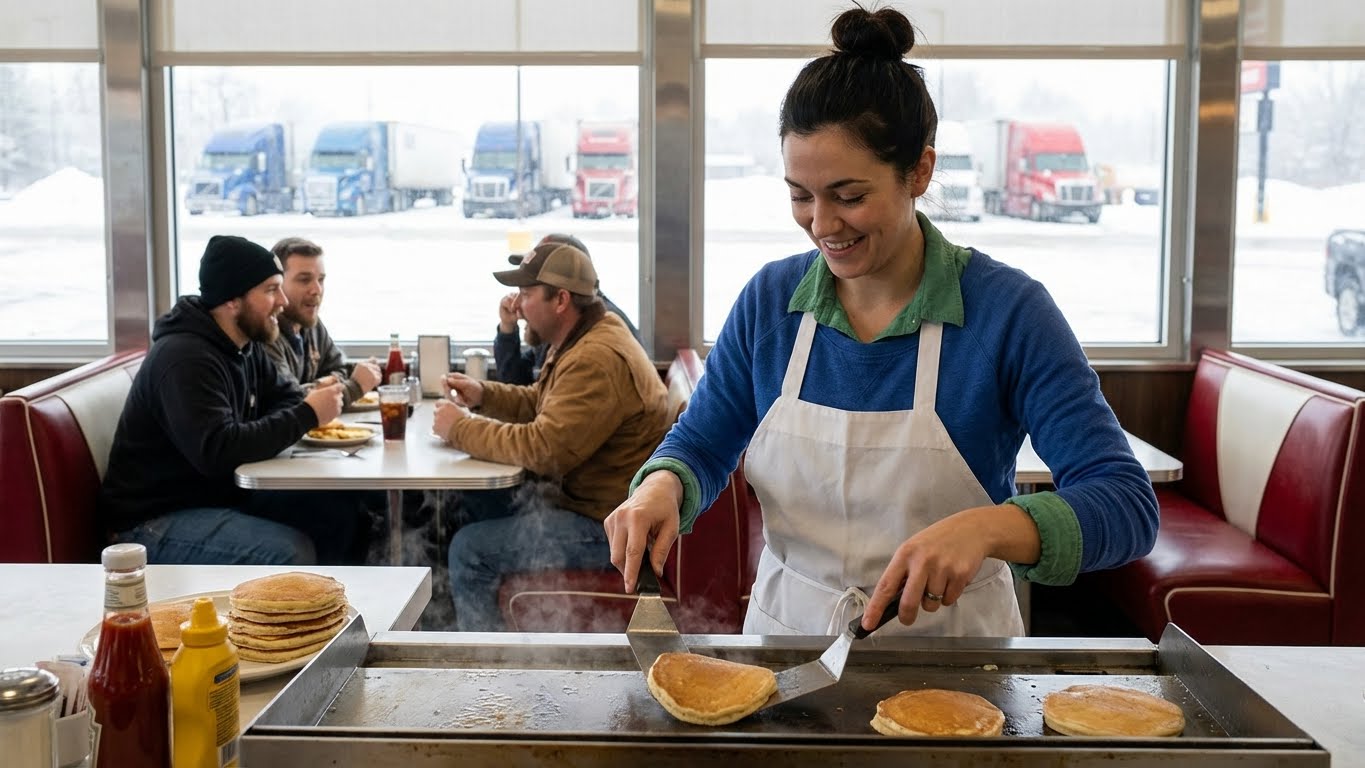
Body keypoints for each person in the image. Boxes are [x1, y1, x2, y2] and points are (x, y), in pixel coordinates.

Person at [603, 7, 1159, 638]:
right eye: (800, 195)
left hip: (957, 655)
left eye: (850, 196)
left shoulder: (1008, 313)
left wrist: (991, 528)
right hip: (789, 640)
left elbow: (1125, 503)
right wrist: (662, 486)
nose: (822, 224)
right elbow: (701, 445)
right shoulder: (770, 303)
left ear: (919, 171)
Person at [434, 240, 672, 630]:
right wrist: (483, 395)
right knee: (469, 500)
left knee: (469, 550)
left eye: (527, 294)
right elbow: (541, 402)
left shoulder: (596, 358)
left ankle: (486, 661)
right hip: (588, 504)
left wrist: (459, 427)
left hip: (606, 527)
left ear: (560, 300)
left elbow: (544, 449)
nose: (518, 305)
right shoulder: (585, 335)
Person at [100, 235, 371, 565]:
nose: (283, 301)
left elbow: (286, 397)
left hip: (215, 496)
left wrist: (295, 415)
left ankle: (331, 599)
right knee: (289, 551)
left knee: (339, 512)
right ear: (232, 300)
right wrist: (307, 414)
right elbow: (219, 451)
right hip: (152, 521)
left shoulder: (244, 345)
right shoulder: (185, 358)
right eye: (271, 290)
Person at [494, 232, 642, 385]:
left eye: (527, 291)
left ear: (561, 296)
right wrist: (507, 329)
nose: (516, 304)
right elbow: (519, 382)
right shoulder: (562, 324)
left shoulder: (592, 343)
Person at [264, 237, 382, 406]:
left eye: (320, 279)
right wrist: (355, 387)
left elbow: (339, 368)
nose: (317, 290)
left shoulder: (311, 323)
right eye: (304, 280)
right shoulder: (266, 334)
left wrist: (319, 387)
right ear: (277, 284)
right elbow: (293, 402)